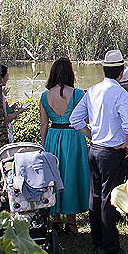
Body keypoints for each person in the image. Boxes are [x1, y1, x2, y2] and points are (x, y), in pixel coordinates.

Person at [69, 49, 128, 254]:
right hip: (110, 151)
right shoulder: (119, 93)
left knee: (95, 196)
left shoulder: (92, 90)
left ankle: (97, 241)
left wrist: (91, 135)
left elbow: (75, 119)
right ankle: (111, 248)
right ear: (120, 73)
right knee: (110, 198)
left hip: (95, 149)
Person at [38, 58, 89, 234]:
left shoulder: (45, 96)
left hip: (53, 136)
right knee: (71, 176)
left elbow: (43, 124)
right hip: (73, 137)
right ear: (70, 74)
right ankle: (72, 222)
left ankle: (56, 219)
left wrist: (44, 145)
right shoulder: (79, 94)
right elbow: (87, 120)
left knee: (54, 176)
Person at [0, 65, 23, 141]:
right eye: (7, 75)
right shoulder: (1, 96)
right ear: (1, 78)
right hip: (5, 132)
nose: (8, 78)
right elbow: (6, 119)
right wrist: (19, 112)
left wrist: (11, 107)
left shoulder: (1, 94)